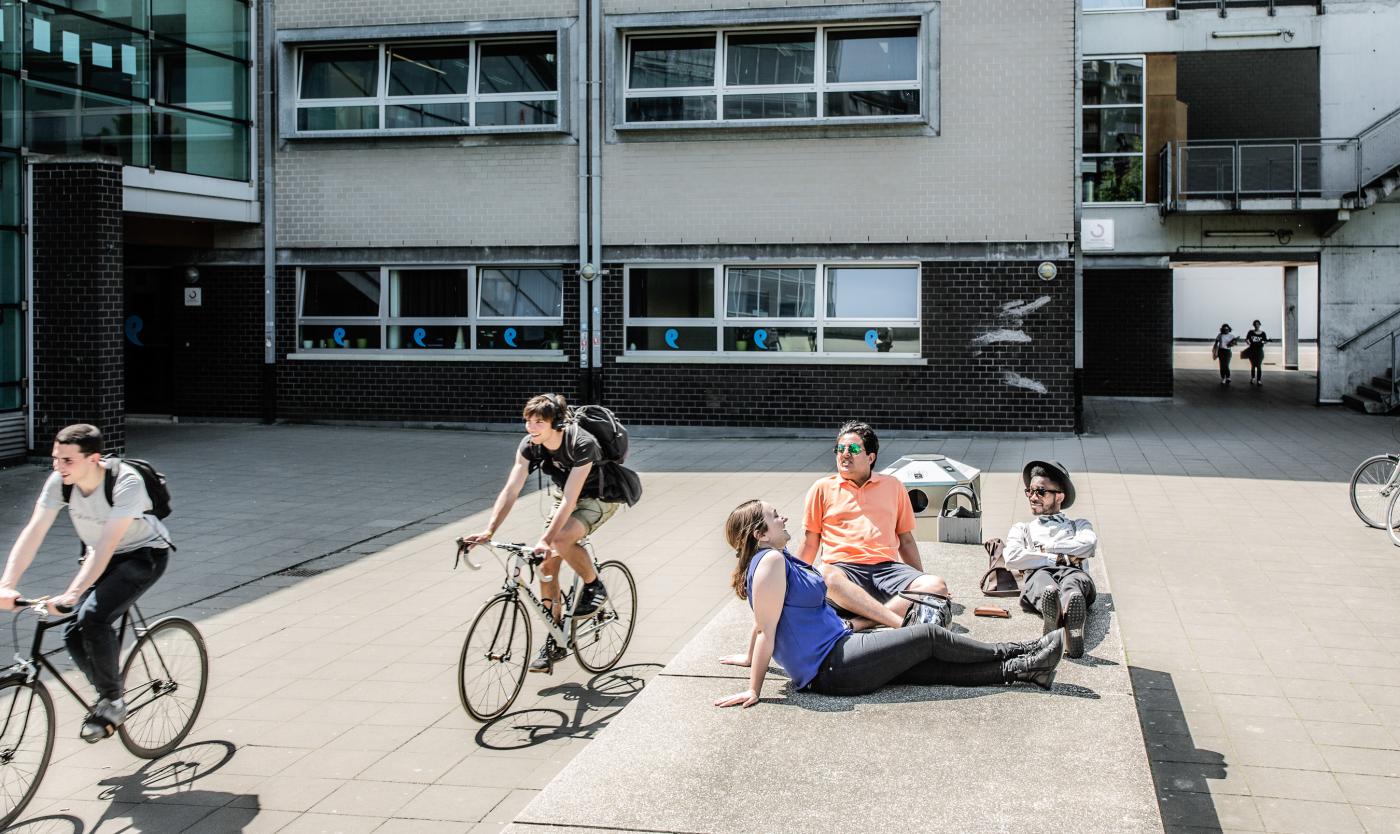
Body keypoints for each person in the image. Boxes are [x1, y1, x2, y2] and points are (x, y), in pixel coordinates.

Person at [714, 500, 1062, 706]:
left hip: (842, 648)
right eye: (775, 516)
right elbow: (765, 626)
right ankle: (1022, 649)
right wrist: (753, 689)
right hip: (831, 668)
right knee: (928, 636)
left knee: (930, 668)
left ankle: (1027, 668)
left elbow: (762, 618)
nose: (783, 518)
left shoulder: (776, 558)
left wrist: (748, 658)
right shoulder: (771, 563)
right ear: (760, 533)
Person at [0, 424, 173, 742]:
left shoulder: (125, 483)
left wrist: (72, 594)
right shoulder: (60, 483)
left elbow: (108, 545)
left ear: (93, 459)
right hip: (99, 557)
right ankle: (109, 691)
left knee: (92, 617)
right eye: (56, 458)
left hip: (142, 555)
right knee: (72, 632)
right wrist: (7, 584)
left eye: (67, 460)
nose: (58, 467)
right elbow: (34, 531)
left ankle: (113, 703)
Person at [465, 394, 623, 674]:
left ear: (557, 423)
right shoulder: (530, 446)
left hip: (601, 496)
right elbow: (511, 489)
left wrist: (547, 539)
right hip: (567, 496)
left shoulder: (581, 444)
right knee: (546, 564)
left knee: (560, 540)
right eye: (528, 421)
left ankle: (594, 584)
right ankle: (556, 638)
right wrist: (489, 530)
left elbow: (571, 500)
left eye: (539, 422)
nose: (531, 428)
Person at [799, 421, 950, 631]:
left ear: (871, 457)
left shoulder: (893, 485)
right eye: (840, 449)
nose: (844, 454)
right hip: (843, 572)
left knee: (936, 585)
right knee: (824, 575)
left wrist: (919, 581)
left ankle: (859, 623)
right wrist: (793, 582)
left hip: (886, 570)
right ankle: (898, 621)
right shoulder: (822, 488)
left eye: (852, 449)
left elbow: (905, 540)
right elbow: (810, 541)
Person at [1004, 460, 1097, 659]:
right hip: (1040, 574)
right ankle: (1060, 623)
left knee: (1073, 587)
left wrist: (1043, 550)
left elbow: (1089, 545)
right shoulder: (1022, 528)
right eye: (1030, 491)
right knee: (1045, 586)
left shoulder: (1078, 524)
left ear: (1059, 496)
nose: (1033, 497)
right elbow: (1011, 557)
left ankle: (1067, 626)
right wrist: (1058, 558)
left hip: (1074, 573)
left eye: (1041, 492)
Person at [1242, 320, 1269, 386]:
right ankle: (1253, 378)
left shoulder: (1263, 333)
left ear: (1260, 325)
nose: (1256, 325)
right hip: (1252, 350)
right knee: (1253, 365)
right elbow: (1246, 339)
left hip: (1259, 351)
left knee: (1259, 365)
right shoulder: (1251, 332)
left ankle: (1259, 380)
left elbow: (1265, 341)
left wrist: (1264, 342)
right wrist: (1249, 343)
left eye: (1257, 324)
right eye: (1255, 324)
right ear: (1254, 325)